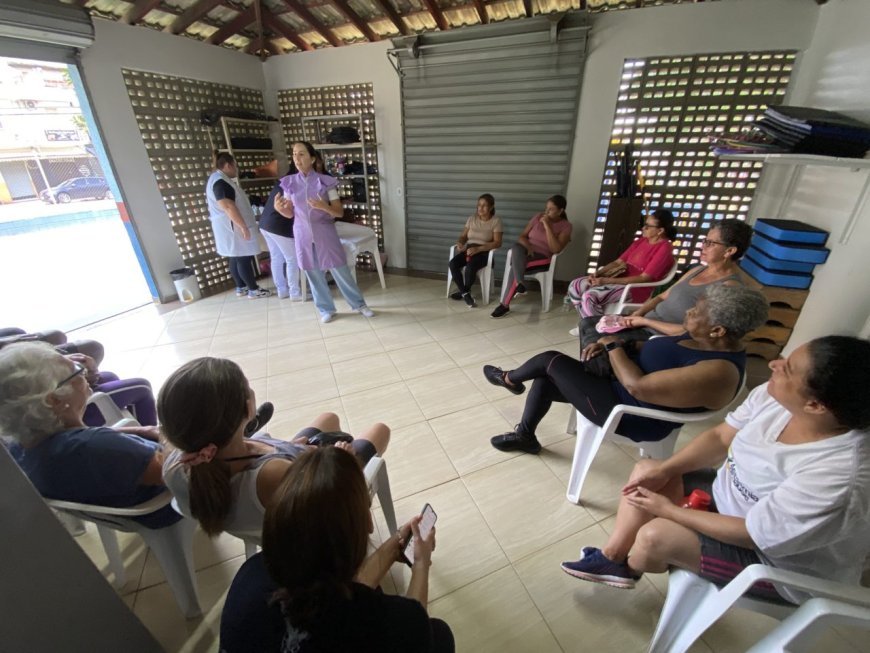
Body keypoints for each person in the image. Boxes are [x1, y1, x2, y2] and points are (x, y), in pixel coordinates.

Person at [560, 335, 870, 606]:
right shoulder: (775, 398)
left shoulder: (839, 474)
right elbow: (721, 436)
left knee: (653, 537)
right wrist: (666, 470)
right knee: (648, 470)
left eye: (787, 368)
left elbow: (753, 534)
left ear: (816, 405)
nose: (774, 363)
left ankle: (634, 563)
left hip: (775, 563)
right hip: (730, 503)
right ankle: (614, 560)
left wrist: (669, 511)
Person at [219, 446, 454, 652]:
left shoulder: (252, 572)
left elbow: (330, 592)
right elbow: (417, 629)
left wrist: (394, 547)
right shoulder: (381, 622)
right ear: (365, 528)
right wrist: (421, 564)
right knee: (440, 635)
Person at [482, 285, 768, 454]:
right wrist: (619, 342)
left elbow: (638, 387)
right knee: (547, 374)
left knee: (550, 360)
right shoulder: (702, 338)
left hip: (629, 413)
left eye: (696, 312)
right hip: (616, 388)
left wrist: (611, 346)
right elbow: (654, 351)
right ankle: (526, 436)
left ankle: (509, 379)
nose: (688, 313)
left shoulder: (718, 372)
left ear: (718, 329)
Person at [159, 356, 389, 537]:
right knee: (380, 430)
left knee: (328, 418)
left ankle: (247, 432)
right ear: (248, 408)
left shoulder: (174, 460)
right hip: (314, 485)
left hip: (281, 464)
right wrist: (341, 461)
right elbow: (340, 504)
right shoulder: (273, 475)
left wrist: (290, 447)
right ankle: (254, 432)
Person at [0, 343, 178, 529]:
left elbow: (95, 442)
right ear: (54, 400)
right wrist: (165, 435)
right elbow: (176, 472)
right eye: (77, 371)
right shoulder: (97, 447)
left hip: (111, 512)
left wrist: (141, 431)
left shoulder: (19, 448)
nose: (84, 374)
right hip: (166, 505)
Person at [577, 218, 752, 345]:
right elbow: (661, 297)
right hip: (645, 323)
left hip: (660, 336)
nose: (703, 246)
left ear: (730, 250)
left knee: (599, 345)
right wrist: (636, 316)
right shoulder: (698, 269)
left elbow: (693, 332)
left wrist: (645, 322)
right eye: (705, 241)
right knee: (587, 324)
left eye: (710, 243)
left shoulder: (729, 287)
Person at [274, 141, 374, 324]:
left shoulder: (325, 182)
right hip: (303, 235)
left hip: (325, 231)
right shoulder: (289, 183)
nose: (297, 158)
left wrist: (324, 206)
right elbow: (289, 213)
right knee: (313, 273)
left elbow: (339, 212)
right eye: (295, 154)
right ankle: (326, 309)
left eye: (302, 154)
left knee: (340, 269)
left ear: (312, 158)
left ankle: (359, 305)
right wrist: (280, 209)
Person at [567, 209, 676, 319]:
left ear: (660, 230)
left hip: (635, 289)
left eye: (647, 226)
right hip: (617, 279)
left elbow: (644, 278)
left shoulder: (664, 249)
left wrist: (607, 281)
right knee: (576, 285)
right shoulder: (642, 241)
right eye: (644, 224)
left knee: (589, 297)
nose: (643, 228)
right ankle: (586, 321)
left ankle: (594, 328)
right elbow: (618, 262)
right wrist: (597, 274)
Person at [490, 195, 572, 318]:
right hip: (526, 252)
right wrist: (528, 247)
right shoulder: (538, 217)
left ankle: (506, 303)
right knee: (516, 247)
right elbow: (522, 236)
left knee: (515, 267)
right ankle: (519, 284)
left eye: (551, 209)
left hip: (543, 258)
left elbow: (556, 249)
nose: (547, 211)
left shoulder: (566, 226)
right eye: (546, 208)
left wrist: (547, 226)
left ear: (561, 211)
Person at [206, 152, 271, 299]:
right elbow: (228, 206)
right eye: (235, 165)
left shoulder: (217, 179)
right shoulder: (220, 182)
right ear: (228, 165)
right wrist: (242, 226)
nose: (237, 169)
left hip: (228, 226)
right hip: (232, 226)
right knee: (243, 257)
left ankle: (241, 287)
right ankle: (253, 289)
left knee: (234, 257)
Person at [448, 193, 503, 308]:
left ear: (491, 207)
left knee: (470, 266)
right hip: (469, 249)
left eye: (484, 205)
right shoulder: (471, 219)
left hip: (484, 252)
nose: (480, 208)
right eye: (479, 205)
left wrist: (479, 248)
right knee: (453, 263)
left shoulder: (496, 221)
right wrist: (460, 242)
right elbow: (463, 236)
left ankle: (464, 292)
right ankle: (465, 293)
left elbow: (497, 243)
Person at [260, 169, 303, 301]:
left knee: (276, 258)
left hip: (265, 224)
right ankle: (295, 293)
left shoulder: (283, 180)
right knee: (292, 259)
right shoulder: (293, 182)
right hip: (278, 226)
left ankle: (282, 291)